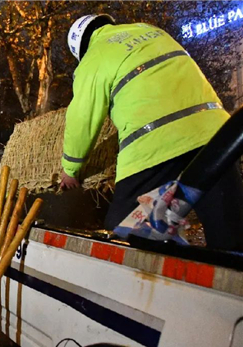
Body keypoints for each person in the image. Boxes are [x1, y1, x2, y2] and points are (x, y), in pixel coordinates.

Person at [59, 14, 243, 251]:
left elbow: (82, 117)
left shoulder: (95, 56)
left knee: (126, 234)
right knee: (230, 234)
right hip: (217, 135)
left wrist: (71, 170)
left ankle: (163, 277)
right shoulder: (151, 31)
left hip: (156, 145)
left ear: (80, 50)